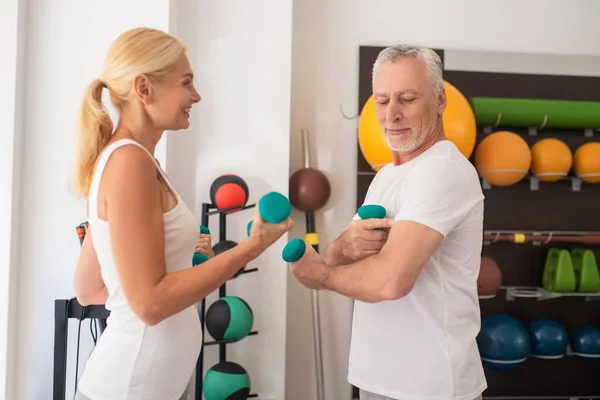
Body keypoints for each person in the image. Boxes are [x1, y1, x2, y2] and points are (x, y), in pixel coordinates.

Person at [72, 27, 293, 400]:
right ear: (145, 89)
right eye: (186, 83)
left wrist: (182, 274)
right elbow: (149, 304)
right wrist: (249, 248)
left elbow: (90, 286)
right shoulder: (129, 164)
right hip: (128, 387)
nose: (196, 96)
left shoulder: (133, 160)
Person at [288, 45, 486, 400]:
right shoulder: (386, 177)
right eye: (382, 100)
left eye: (407, 98)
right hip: (378, 378)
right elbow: (337, 257)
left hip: (430, 386)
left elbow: (392, 281)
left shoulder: (443, 169)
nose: (391, 114)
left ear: (440, 100)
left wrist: (321, 277)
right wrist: (343, 246)